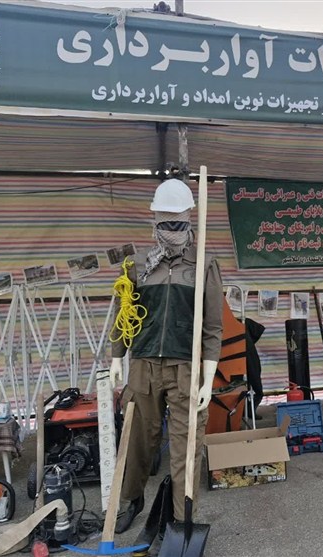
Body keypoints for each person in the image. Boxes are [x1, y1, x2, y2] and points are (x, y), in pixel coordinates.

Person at [110, 177, 223, 535]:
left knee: (186, 446)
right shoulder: (137, 264)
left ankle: (181, 517)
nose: (170, 229)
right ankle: (131, 500)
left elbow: (213, 326)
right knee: (137, 440)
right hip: (143, 365)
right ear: (154, 219)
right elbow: (123, 315)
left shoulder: (204, 264)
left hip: (185, 367)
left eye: (177, 222)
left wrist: (208, 377)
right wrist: (116, 358)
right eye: (164, 221)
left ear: (189, 218)